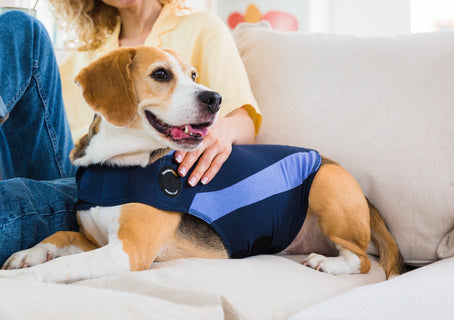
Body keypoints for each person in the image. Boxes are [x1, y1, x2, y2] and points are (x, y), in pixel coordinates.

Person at [0, 0, 260, 265]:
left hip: (114, 190)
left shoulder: (201, 27)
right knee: (21, 28)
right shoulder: (84, 52)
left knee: (13, 196)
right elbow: (44, 136)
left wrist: (220, 131)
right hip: (65, 167)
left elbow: (242, 121)